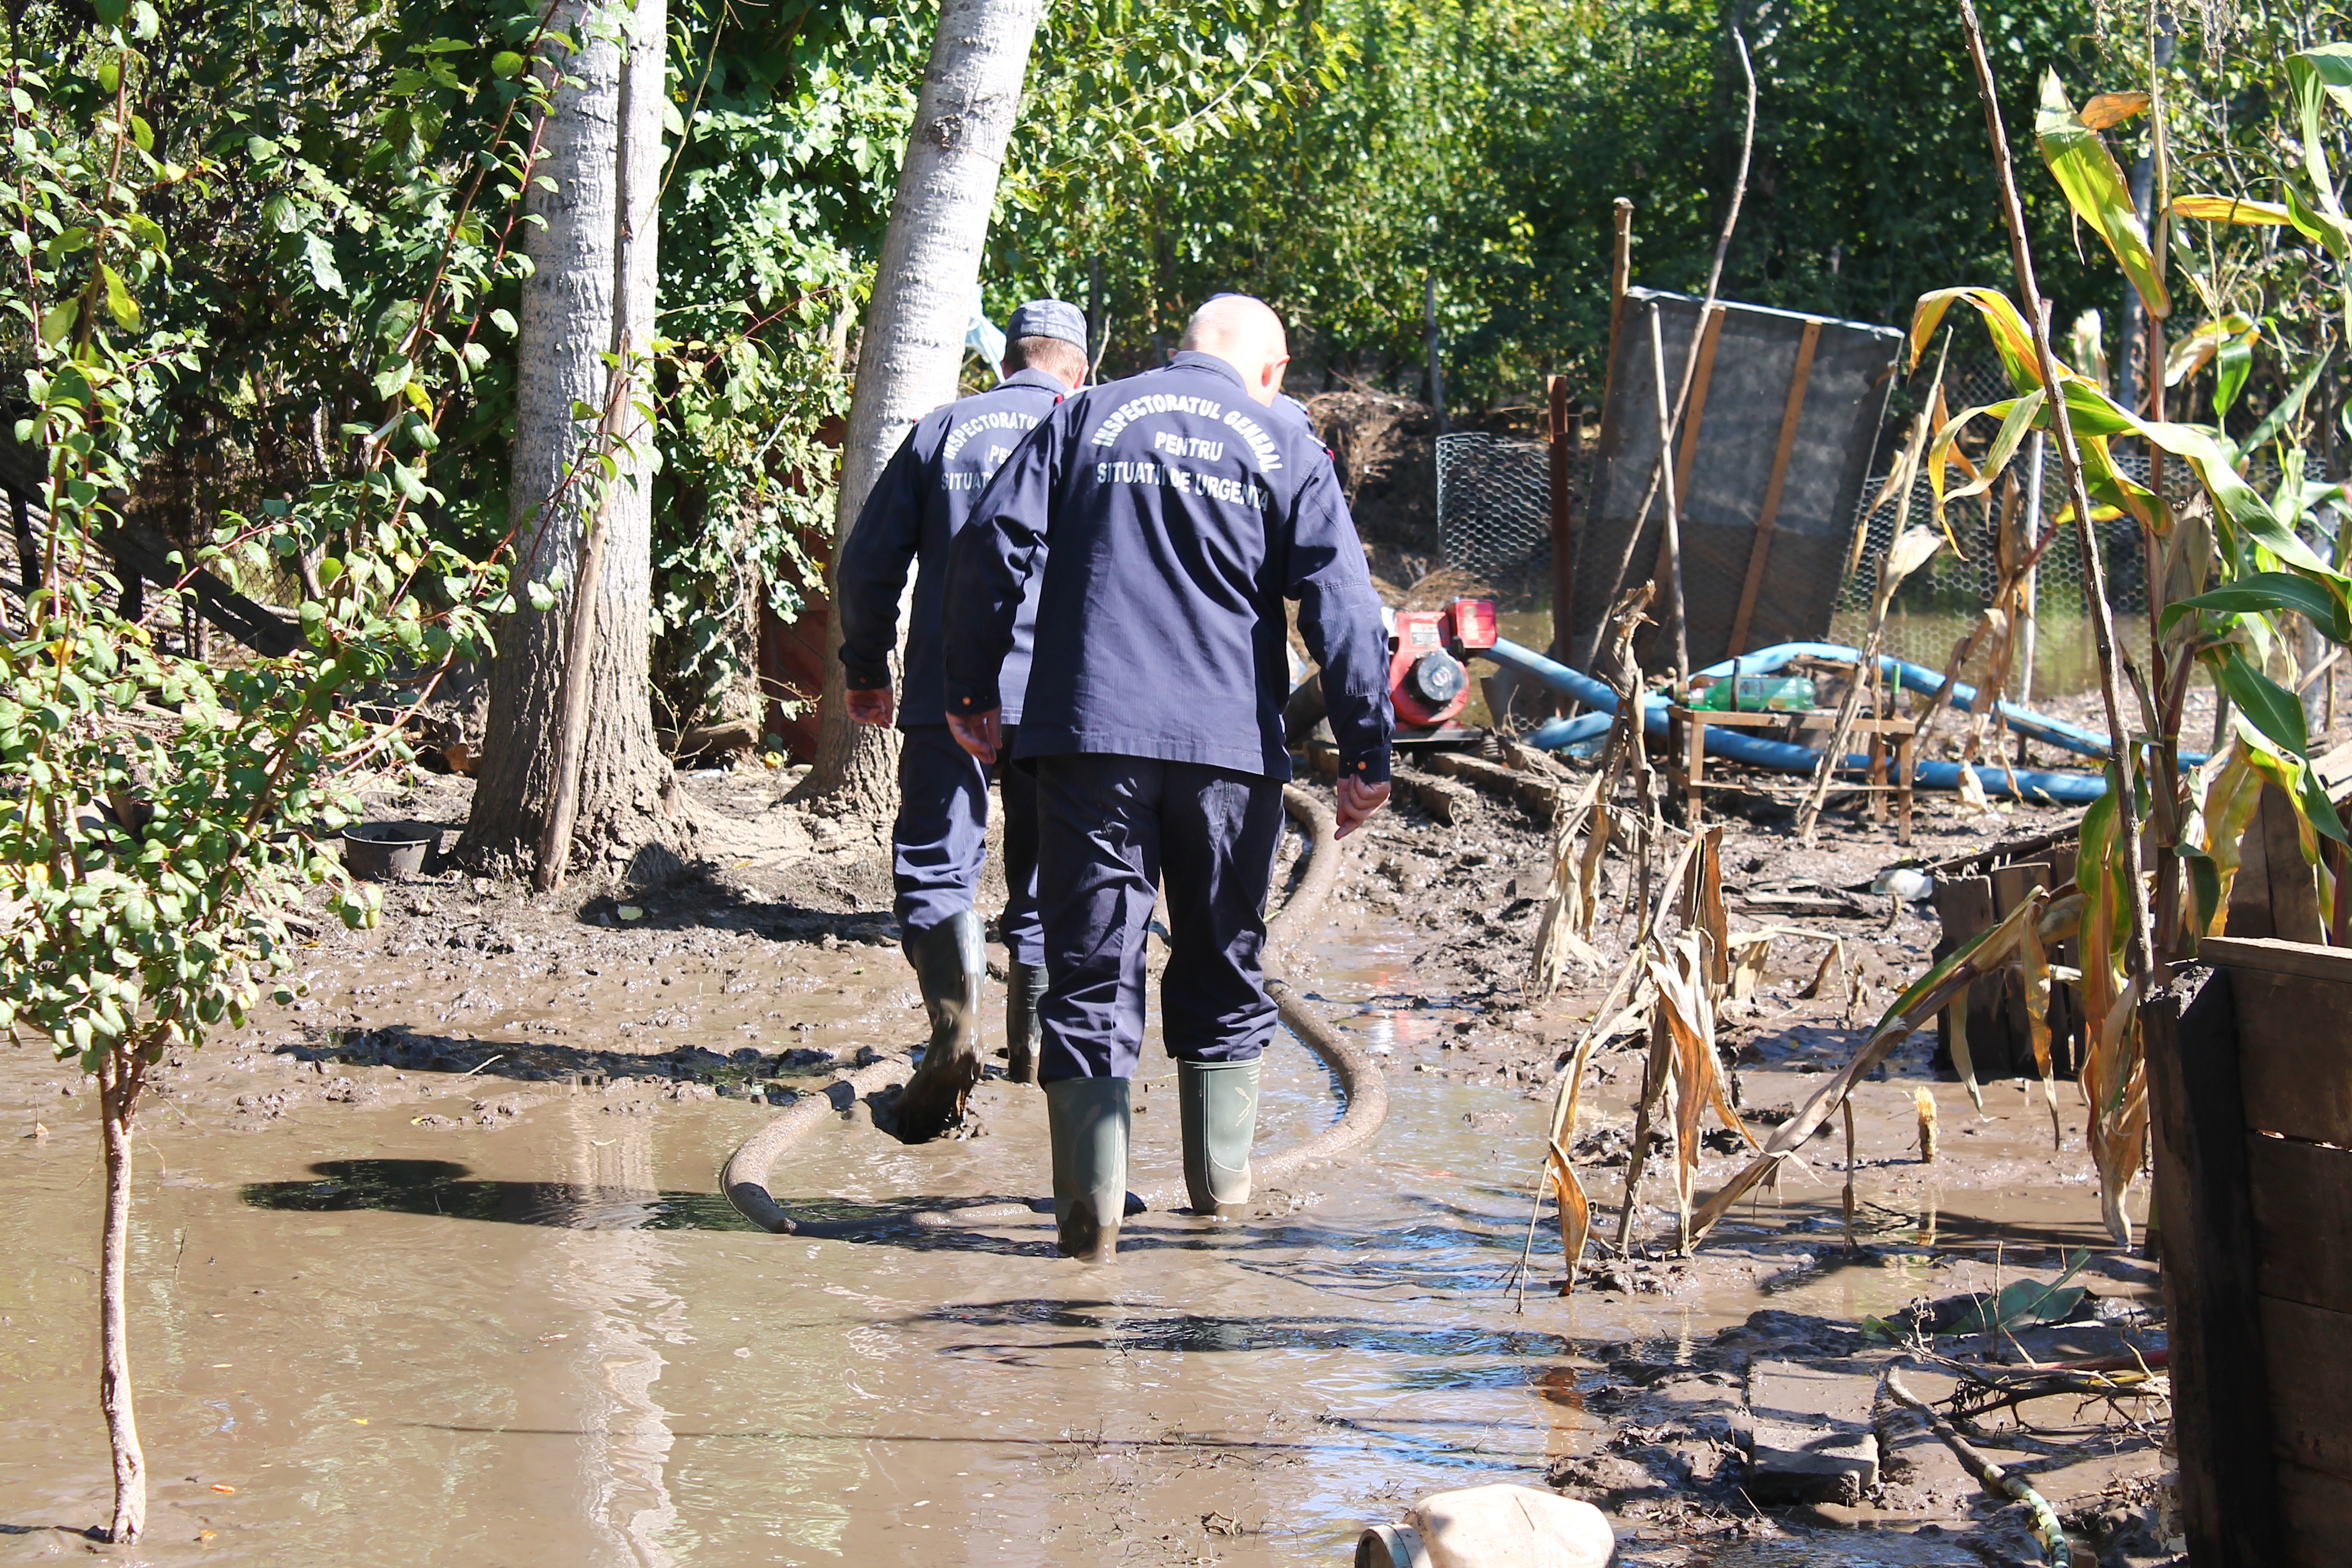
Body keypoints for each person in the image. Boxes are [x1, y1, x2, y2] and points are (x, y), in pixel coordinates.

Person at [940, 293, 1392, 1261]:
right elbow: (1345, 608)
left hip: (1088, 738)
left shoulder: (1084, 414)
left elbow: (991, 547)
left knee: (1094, 968)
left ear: (1178, 351)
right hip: (1229, 757)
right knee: (1224, 960)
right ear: (1269, 372)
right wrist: (1366, 753)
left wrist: (972, 685)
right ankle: (1217, 1213)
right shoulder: (1283, 443)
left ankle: (1089, 1230)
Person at [835, 299, 1092, 1142]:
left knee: (939, 866)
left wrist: (866, 669)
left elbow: (870, 565)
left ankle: (956, 1034)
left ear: (1007, 360)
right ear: (1077, 368)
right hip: (1066, 696)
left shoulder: (942, 429)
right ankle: (1030, 1052)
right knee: (1050, 869)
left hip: (949, 689)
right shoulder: (1098, 430)